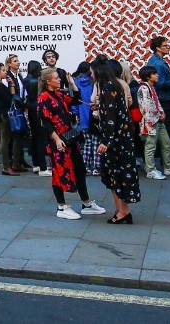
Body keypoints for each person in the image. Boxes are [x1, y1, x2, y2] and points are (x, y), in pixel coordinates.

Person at [37, 69, 106, 219]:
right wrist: (56, 139)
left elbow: (75, 100)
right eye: (56, 78)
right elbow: (46, 122)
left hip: (69, 137)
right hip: (58, 139)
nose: (59, 80)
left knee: (79, 169)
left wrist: (73, 85)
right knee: (59, 171)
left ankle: (86, 203)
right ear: (48, 81)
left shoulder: (59, 94)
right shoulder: (44, 97)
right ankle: (61, 206)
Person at [91, 59, 140, 224]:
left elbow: (111, 119)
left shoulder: (108, 88)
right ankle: (121, 210)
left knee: (116, 175)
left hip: (115, 141)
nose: (91, 75)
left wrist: (106, 141)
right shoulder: (115, 86)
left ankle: (123, 211)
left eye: (92, 72)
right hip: (121, 138)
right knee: (115, 175)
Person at [135, 65, 170, 178]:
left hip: (157, 120)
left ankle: (168, 166)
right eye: (154, 74)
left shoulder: (151, 87)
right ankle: (150, 170)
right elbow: (148, 106)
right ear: (148, 76)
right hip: (151, 121)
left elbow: (156, 102)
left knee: (166, 142)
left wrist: (161, 112)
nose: (157, 75)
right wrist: (159, 114)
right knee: (151, 145)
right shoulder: (144, 88)